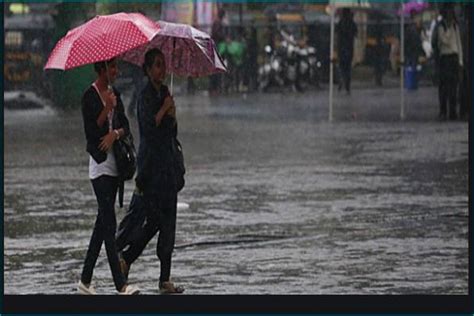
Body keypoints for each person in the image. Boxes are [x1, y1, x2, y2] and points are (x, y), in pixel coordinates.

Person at [116, 48, 184, 294]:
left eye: (163, 65)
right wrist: (165, 109)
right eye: (157, 65)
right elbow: (149, 128)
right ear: (147, 69)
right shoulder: (145, 96)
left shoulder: (165, 93)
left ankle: (164, 279)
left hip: (167, 169)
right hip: (150, 170)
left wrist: (172, 116)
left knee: (168, 223)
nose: (161, 69)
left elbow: (169, 132)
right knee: (151, 220)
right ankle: (125, 257)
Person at [78, 58, 139, 295]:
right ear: (101, 69)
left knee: (101, 225)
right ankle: (120, 285)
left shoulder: (116, 94)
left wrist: (115, 133)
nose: (116, 71)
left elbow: (125, 127)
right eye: (112, 67)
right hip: (99, 167)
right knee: (109, 222)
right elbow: (91, 132)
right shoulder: (89, 96)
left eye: (116, 66)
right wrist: (106, 109)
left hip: (116, 166)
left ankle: (85, 280)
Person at [432, 4, 463, 120]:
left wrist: (460, 61)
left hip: (453, 57)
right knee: (444, 86)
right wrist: (449, 29)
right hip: (445, 58)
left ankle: (453, 111)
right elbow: (444, 40)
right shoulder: (441, 26)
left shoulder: (455, 26)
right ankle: (443, 110)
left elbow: (458, 43)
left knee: (453, 87)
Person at [336, 8, 358, 94]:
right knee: (348, 67)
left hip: (341, 47)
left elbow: (337, 33)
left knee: (341, 66)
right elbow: (356, 33)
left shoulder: (340, 22)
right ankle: (347, 86)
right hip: (349, 47)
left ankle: (341, 82)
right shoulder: (352, 23)